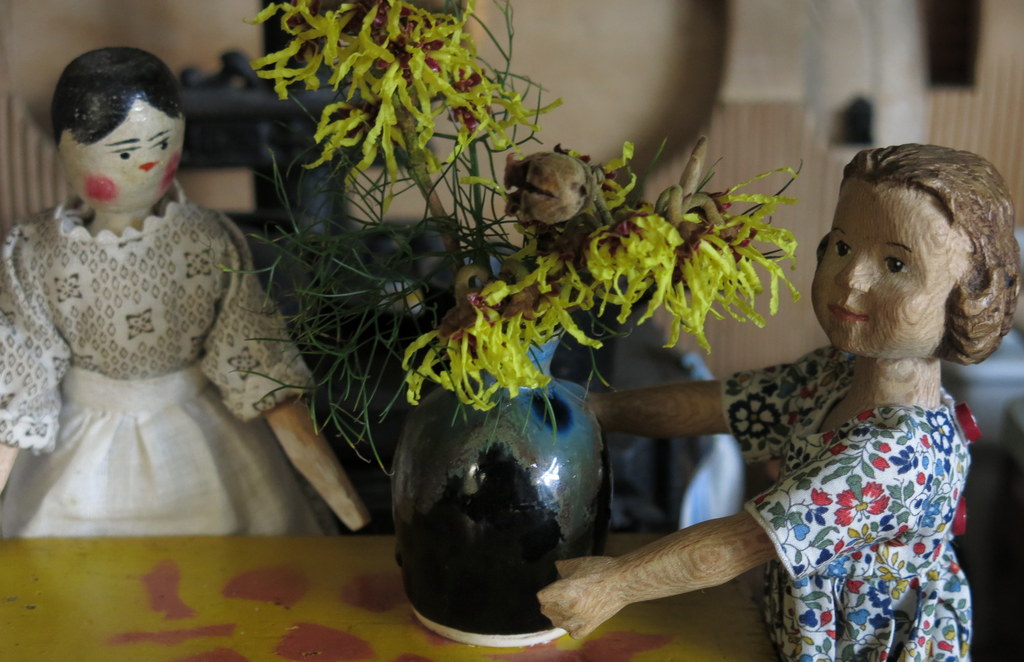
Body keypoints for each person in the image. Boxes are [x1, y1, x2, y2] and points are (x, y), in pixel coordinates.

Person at [538, 143, 1021, 661]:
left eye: (896, 263)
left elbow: (742, 543)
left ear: (969, 294)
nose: (851, 277)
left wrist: (615, 584)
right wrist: (596, 411)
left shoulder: (897, 456)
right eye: (841, 246)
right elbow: (722, 404)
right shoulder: (837, 373)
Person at [0, 47, 367, 537]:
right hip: (81, 445)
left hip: (201, 434)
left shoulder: (207, 238)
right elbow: (23, 373)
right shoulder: (35, 250)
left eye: (162, 144)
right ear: (67, 152)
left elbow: (252, 355)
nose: (147, 164)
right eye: (125, 153)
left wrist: (342, 498)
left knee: (230, 542)